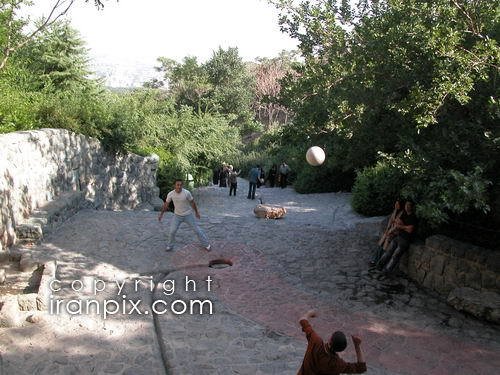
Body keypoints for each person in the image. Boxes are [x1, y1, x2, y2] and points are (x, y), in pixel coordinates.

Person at [298, 309, 367, 375]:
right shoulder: (338, 364)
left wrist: (309, 314)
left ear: (330, 339)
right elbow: (361, 368)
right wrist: (357, 345)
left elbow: (302, 320)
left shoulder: (316, 341)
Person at [158, 179, 211, 252]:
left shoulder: (187, 193)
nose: (179, 186)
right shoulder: (170, 194)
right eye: (177, 185)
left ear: (182, 185)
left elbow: (192, 203)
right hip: (177, 215)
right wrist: (161, 214)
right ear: (174, 185)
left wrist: (196, 212)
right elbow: (166, 205)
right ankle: (170, 246)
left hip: (188, 215)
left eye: (180, 185)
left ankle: (206, 244)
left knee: (197, 230)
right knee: (172, 231)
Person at [377, 200, 417, 274]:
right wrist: (403, 227)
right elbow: (397, 224)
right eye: (406, 205)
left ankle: (387, 270)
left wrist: (401, 226)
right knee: (388, 252)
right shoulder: (403, 214)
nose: (407, 207)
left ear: (412, 207)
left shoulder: (413, 217)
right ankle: (379, 265)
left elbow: (410, 230)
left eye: (409, 205)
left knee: (395, 256)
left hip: (405, 240)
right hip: (398, 237)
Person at [369, 198, 404, 266]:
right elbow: (391, 220)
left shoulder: (402, 213)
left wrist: (390, 231)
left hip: (397, 232)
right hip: (392, 230)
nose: (396, 205)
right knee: (382, 238)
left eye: (397, 204)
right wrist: (387, 229)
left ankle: (380, 261)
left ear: (400, 205)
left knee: (387, 240)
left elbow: (397, 226)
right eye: (395, 204)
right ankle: (375, 259)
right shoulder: (395, 211)